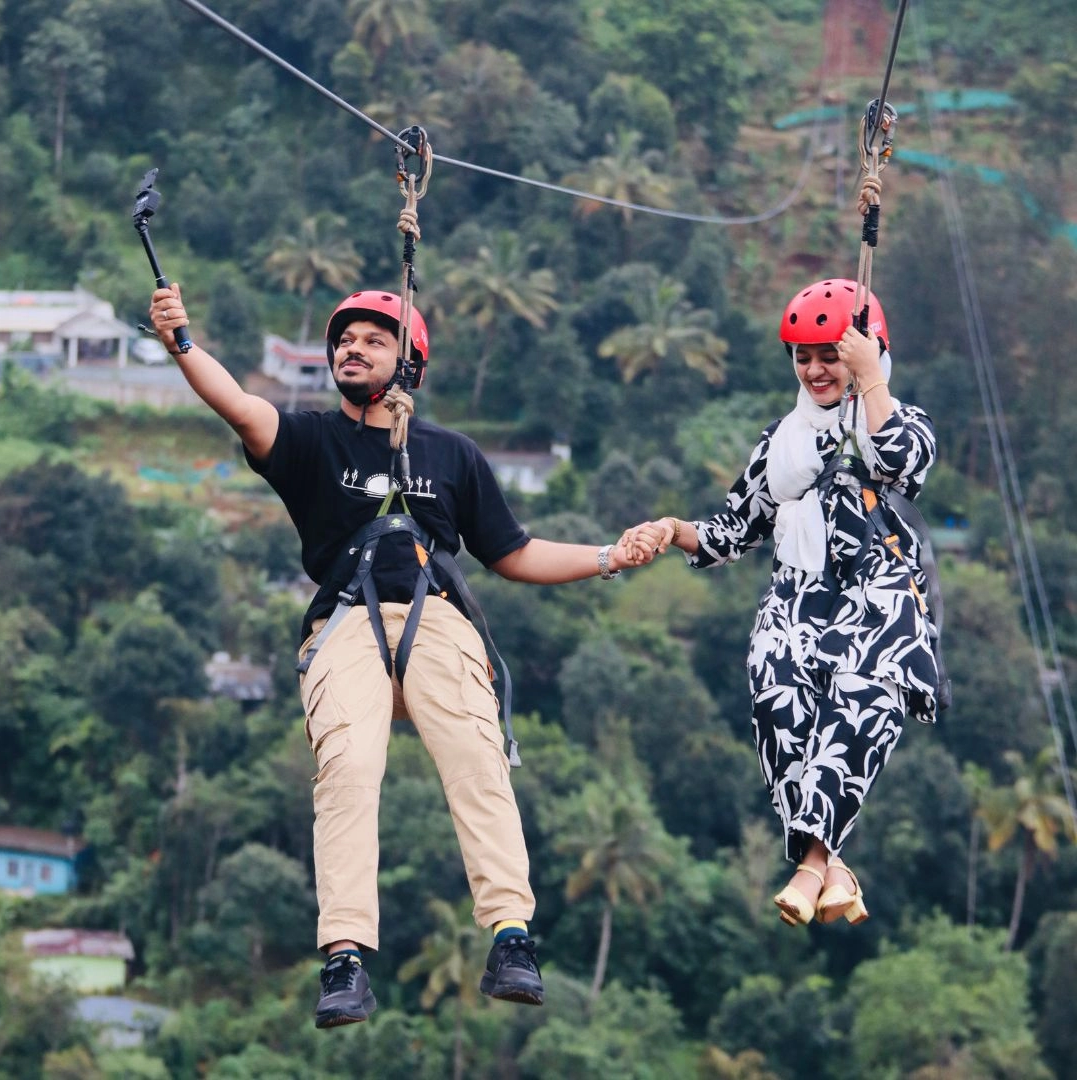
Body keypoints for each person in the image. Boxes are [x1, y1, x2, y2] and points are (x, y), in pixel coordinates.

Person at [148, 283, 651, 1027]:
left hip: (437, 617)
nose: (352, 349)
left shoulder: (452, 455)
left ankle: (511, 936)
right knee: (348, 767)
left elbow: (513, 553)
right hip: (347, 620)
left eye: (373, 341)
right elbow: (239, 406)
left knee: (476, 757)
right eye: (344, 341)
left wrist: (608, 556)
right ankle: (345, 957)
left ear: (408, 363)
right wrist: (182, 342)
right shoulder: (312, 441)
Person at [622, 278, 938, 928]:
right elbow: (731, 532)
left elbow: (901, 464)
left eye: (830, 355)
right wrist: (671, 529)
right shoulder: (780, 443)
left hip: (876, 602)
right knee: (778, 709)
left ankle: (809, 866)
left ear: (866, 353)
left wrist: (869, 377)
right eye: (804, 357)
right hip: (796, 602)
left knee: (855, 715)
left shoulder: (902, 422)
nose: (816, 370)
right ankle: (830, 867)